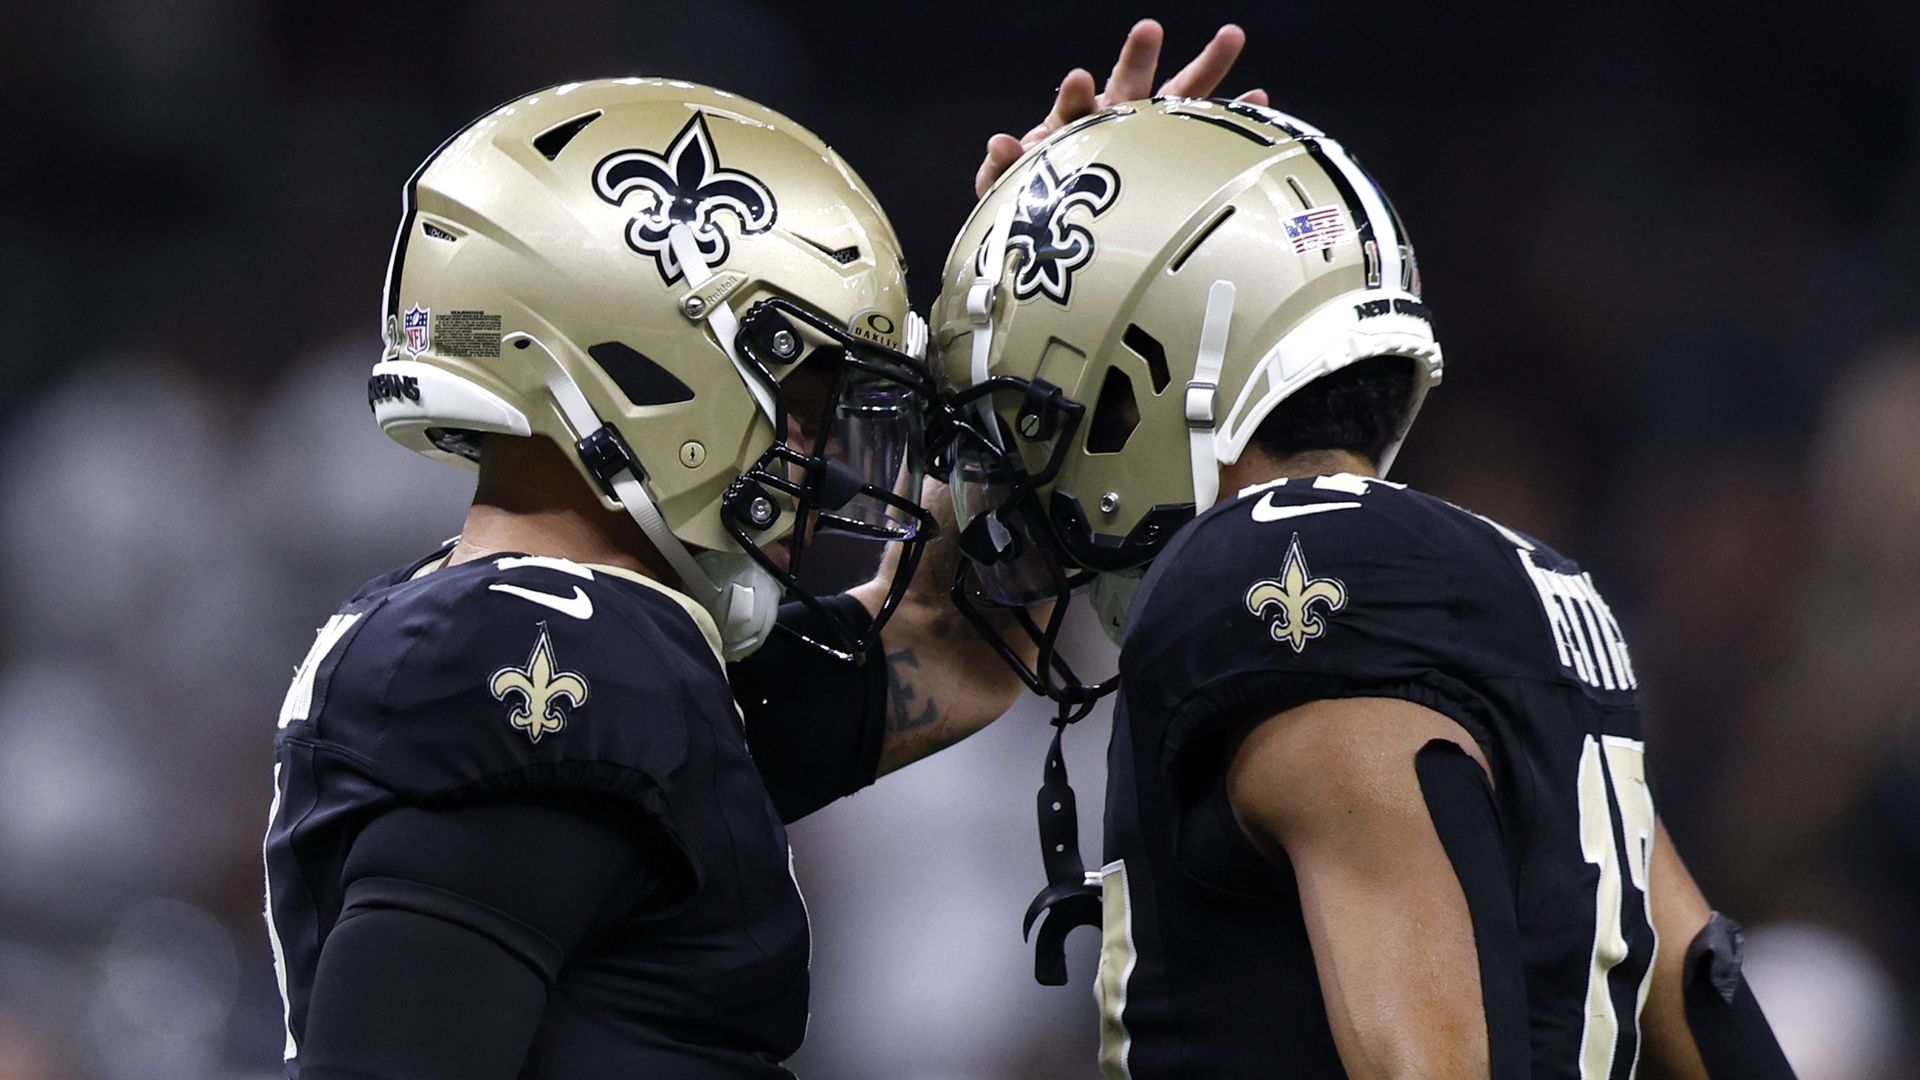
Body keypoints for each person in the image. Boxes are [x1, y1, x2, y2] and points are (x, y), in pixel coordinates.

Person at [264, 24, 1264, 1078]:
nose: (821, 449)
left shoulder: (612, 650)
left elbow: (951, 637)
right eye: (803, 399)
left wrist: (1063, 286)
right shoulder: (542, 651)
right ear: (647, 360)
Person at [930, 99, 1795, 1078]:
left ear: (1146, 384)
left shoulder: (1266, 580)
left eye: (1040, 418)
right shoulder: (1530, 580)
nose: (1018, 477)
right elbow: (1704, 1000)